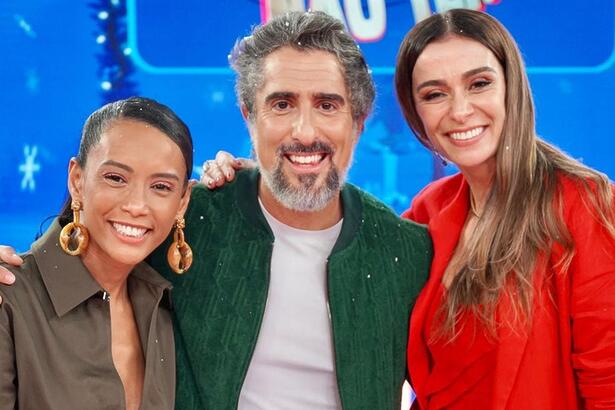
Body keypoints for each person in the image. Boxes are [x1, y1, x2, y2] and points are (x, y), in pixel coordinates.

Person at [0, 11, 433, 410]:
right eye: (281, 105)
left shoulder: (406, 251)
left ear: (358, 122)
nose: (304, 131)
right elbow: (89, 242)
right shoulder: (190, 221)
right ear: (249, 117)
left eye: (327, 105)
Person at [198, 8, 615, 410]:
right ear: (416, 112)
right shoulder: (431, 211)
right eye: (434, 94)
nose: (460, 110)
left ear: (512, 88)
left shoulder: (583, 203)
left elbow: (608, 383)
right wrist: (268, 176)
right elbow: (342, 233)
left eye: (479, 84)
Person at [0, 97, 194, 409]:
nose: (136, 205)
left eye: (160, 187)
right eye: (116, 178)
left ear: (182, 202)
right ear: (77, 180)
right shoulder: (9, 299)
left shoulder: (163, 307)